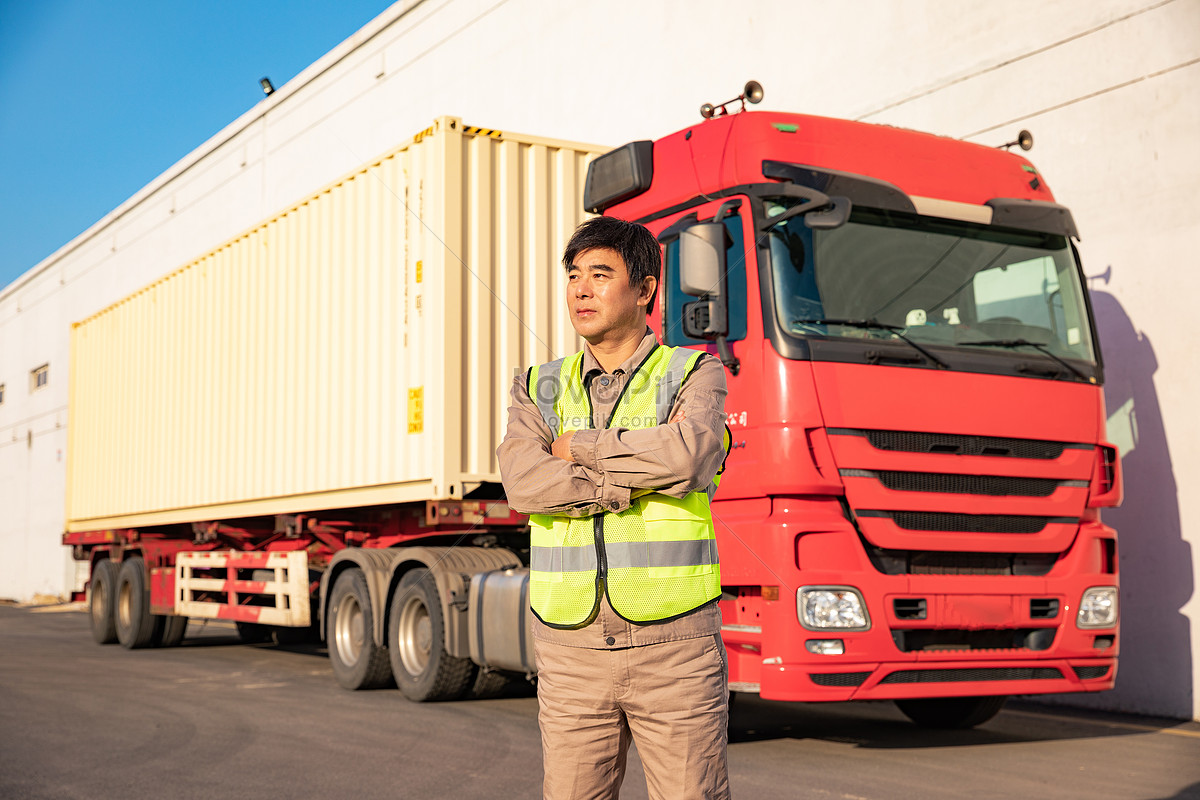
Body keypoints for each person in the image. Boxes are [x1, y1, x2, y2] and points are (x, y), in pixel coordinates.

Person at [497, 216, 731, 799]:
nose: (580, 289)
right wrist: (626, 481)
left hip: (675, 647)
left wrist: (578, 448)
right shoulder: (537, 386)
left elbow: (688, 458)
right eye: (573, 275)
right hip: (569, 648)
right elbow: (524, 484)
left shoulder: (693, 372)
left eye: (600, 275)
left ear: (647, 289)